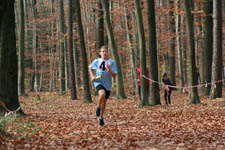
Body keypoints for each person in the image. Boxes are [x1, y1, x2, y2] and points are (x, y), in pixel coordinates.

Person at [89, 46, 117, 126]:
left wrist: (110, 71)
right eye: (103, 51)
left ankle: (101, 117)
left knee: (104, 102)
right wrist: (92, 76)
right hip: (98, 82)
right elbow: (90, 68)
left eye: (106, 51)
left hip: (107, 84)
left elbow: (114, 75)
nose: (104, 53)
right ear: (100, 53)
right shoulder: (97, 61)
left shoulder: (111, 62)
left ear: (108, 53)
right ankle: (98, 107)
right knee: (102, 94)